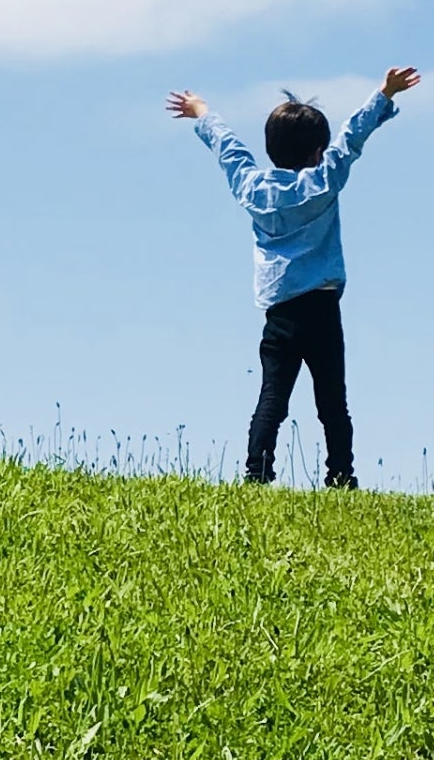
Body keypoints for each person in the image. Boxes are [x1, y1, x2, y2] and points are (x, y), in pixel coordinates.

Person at [166, 67, 421, 488]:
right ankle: (341, 476)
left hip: (279, 311)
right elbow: (351, 139)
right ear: (317, 152)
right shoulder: (323, 181)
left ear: (270, 149)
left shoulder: (253, 188)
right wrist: (384, 93)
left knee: (272, 397)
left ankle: (257, 472)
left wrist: (203, 112)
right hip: (321, 307)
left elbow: (229, 150)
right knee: (332, 402)